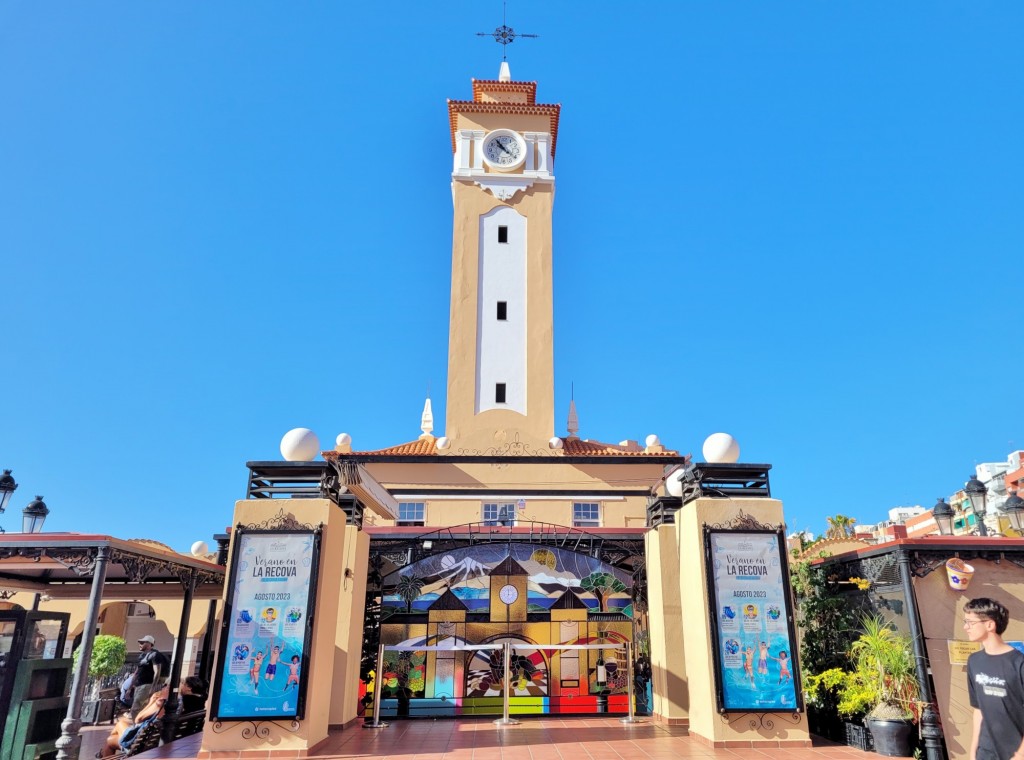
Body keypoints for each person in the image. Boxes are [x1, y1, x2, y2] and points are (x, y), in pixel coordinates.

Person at [965, 597, 1024, 760]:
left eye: (970, 622)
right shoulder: (974, 661)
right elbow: (978, 709)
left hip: (1015, 751)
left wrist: (1020, 754)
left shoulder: (1019, 663)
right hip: (986, 752)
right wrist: (973, 750)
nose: (966, 627)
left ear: (990, 625)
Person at [97, 684, 168, 758]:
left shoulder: (159, 704)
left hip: (139, 745)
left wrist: (151, 702)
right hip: (151, 742)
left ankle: (103, 752)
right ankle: (103, 751)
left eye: (165, 686)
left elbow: (138, 719)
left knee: (111, 737)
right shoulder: (177, 705)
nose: (162, 688)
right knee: (116, 730)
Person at [130, 635, 169, 718]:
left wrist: (152, 687)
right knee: (141, 708)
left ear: (149, 644)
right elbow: (137, 672)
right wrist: (130, 687)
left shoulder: (155, 655)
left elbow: (157, 672)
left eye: (142, 642)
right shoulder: (142, 656)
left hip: (147, 685)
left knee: (135, 709)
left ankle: (136, 727)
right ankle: (138, 727)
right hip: (139, 685)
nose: (139, 644)